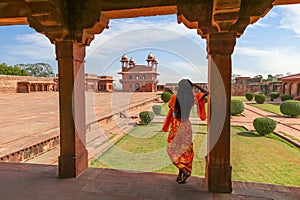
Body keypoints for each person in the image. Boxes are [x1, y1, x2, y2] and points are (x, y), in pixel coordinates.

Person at [162, 79, 208, 184]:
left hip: (177, 126)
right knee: (184, 150)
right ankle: (180, 174)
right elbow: (206, 93)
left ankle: (183, 170)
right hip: (186, 125)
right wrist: (195, 85)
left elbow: (171, 111)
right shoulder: (192, 98)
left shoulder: (174, 97)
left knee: (172, 149)